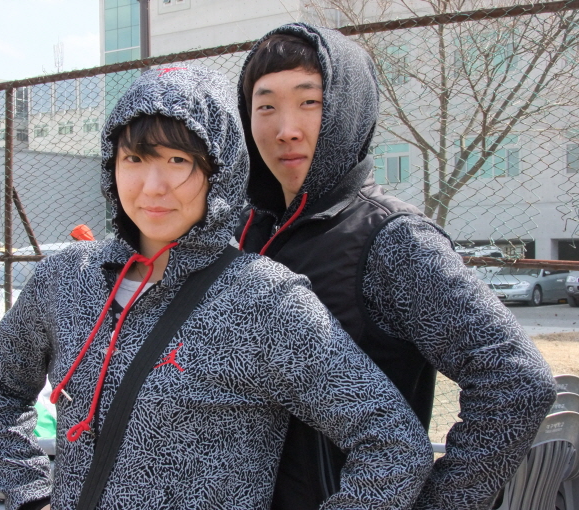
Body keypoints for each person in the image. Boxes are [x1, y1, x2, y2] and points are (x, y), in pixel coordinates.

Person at [0, 65, 433, 510]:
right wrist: (32, 495)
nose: (153, 186)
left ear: (221, 171)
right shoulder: (68, 277)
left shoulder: (262, 301)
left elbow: (394, 444)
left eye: (179, 160)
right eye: (135, 158)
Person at [235, 23, 557, 510]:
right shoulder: (244, 231)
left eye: (309, 101)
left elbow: (516, 381)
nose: (287, 129)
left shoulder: (391, 239)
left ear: (348, 109)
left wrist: (436, 503)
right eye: (266, 106)